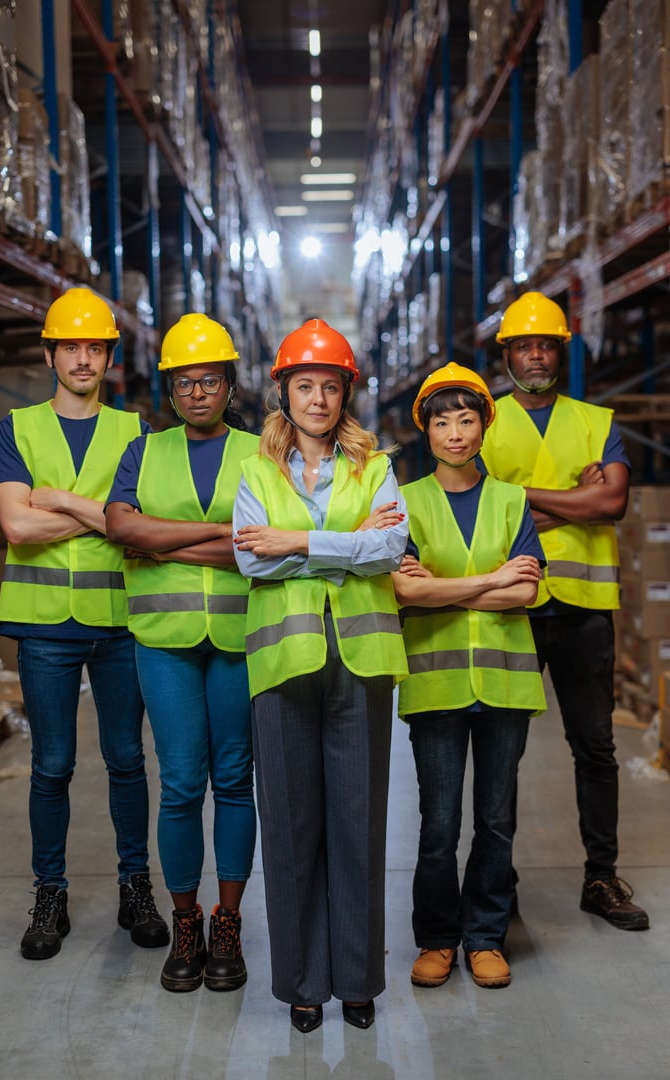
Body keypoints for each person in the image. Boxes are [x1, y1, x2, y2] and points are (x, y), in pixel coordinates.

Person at [233, 319, 408, 1033]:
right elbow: (252, 559)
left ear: (345, 395)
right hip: (283, 664)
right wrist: (348, 545)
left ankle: (359, 979)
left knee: (359, 823)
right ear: (284, 393)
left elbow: (391, 547)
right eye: (304, 385)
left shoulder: (376, 466)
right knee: (291, 824)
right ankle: (304, 982)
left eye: (329, 386)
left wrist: (300, 540)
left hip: (359, 663)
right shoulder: (255, 471)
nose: (316, 398)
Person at [0, 287, 168, 960]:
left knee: (127, 760)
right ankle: (50, 894)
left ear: (109, 357)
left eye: (95, 347)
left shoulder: (134, 432)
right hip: (43, 626)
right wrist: (99, 516)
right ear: (50, 354)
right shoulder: (18, 427)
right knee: (52, 765)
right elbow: (15, 524)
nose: (84, 358)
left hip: (121, 621)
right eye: (72, 346)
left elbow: (137, 529)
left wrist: (59, 500)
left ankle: (135, 886)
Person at [481, 291, 649, 931]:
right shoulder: (484, 421)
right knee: (504, 751)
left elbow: (611, 505)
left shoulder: (596, 420)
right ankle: (500, 885)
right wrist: (569, 497)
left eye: (546, 344)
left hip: (583, 610)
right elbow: (483, 514)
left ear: (561, 350)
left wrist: (520, 500)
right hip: (514, 604)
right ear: (507, 355)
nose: (535, 354)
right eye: (524, 345)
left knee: (596, 748)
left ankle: (601, 878)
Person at [105, 313, 259, 993]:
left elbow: (262, 542)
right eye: (184, 382)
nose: (197, 392)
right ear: (169, 391)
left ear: (229, 384)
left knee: (233, 780)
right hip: (163, 644)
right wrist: (219, 536)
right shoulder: (143, 451)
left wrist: (164, 538)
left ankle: (229, 921)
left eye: (209, 380)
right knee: (179, 785)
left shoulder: (262, 453)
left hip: (239, 640)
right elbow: (119, 526)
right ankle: (186, 919)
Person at [393, 363, 546, 990]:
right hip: (436, 686)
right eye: (441, 421)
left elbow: (528, 591)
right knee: (437, 823)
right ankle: (436, 937)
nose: (454, 432)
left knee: (496, 820)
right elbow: (402, 591)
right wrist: (489, 581)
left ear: (485, 424)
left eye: (466, 418)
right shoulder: (404, 503)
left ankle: (485, 936)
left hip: (506, 684)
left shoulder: (513, 500)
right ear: (425, 432)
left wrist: (446, 591)